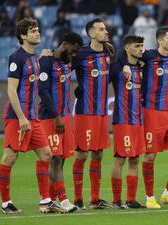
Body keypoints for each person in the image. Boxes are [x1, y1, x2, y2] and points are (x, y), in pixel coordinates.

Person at [0, 18, 66, 214]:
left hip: (32, 116)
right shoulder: (16, 58)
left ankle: (45, 202)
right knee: (10, 158)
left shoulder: (35, 57)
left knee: (47, 154)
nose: (38, 33)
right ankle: (5, 204)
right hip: (17, 117)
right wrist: (21, 117)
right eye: (33, 31)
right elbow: (12, 91)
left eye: (38, 30)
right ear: (23, 36)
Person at [119, 26, 168, 209]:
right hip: (151, 112)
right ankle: (150, 197)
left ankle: (167, 193)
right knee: (150, 156)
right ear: (160, 40)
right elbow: (122, 53)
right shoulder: (149, 56)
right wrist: (124, 64)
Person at [38, 32, 83, 213]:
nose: (74, 55)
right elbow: (42, 90)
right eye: (72, 51)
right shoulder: (46, 62)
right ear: (64, 44)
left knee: (61, 159)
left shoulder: (67, 62)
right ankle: (63, 200)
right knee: (55, 159)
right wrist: (56, 117)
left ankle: (48, 201)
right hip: (50, 118)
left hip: (64, 117)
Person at [72, 18, 114, 210]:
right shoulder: (80, 54)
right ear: (91, 34)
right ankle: (78, 199)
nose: (105, 31)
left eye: (105, 28)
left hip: (102, 113)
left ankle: (95, 198)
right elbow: (63, 69)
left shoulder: (108, 52)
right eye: (101, 29)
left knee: (98, 154)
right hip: (85, 113)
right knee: (81, 154)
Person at [109, 35, 146, 209]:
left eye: (142, 45)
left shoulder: (141, 67)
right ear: (127, 48)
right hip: (122, 120)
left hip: (138, 120)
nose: (141, 48)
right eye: (137, 46)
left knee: (135, 159)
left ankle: (131, 199)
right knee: (121, 159)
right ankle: (116, 200)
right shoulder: (117, 67)